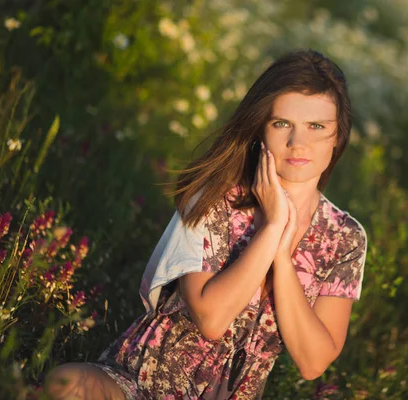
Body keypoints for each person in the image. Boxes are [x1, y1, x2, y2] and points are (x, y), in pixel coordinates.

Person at [43, 48, 367, 400]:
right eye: (282, 123)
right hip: (140, 384)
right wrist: (273, 229)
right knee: (68, 386)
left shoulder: (345, 238)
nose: (297, 143)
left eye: (316, 126)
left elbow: (313, 361)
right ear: (261, 128)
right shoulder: (212, 196)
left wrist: (283, 261)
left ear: (338, 136)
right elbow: (211, 320)